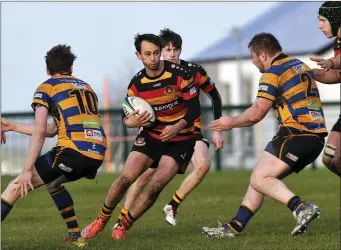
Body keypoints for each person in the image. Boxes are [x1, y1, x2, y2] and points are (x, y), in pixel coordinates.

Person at [202, 33, 327, 238]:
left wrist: (231, 122)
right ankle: (234, 227)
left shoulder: (272, 72)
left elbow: (257, 112)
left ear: (262, 54)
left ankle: (301, 207)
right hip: (314, 137)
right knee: (259, 178)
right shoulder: (299, 65)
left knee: (260, 178)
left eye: (252, 56)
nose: (252, 61)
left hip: (296, 133)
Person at [81, 33, 200, 240]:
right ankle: (100, 220)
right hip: (151, 135)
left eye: (156, 53)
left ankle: (124, 225)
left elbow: (194, 109)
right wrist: (132, 122)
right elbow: (125, 116)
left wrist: (176, 126)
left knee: (155, 185)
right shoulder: (137, 83)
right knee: (126, 177)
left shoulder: (180, 75)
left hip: (181, 139)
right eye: (147, 54)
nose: (153, 58)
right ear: (139, 55)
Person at [115, 28, 224, 227]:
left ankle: (172, 204)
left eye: (176, 50)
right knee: (144, 175)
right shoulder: (147, 77)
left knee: (203, 165)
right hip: (159, 133)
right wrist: (141, 123)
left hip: (189, 133)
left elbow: (215, 96)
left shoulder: (193, 71)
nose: (172, 54)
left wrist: (217, 128)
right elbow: (137, 106)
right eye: (167, 50)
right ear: (160, 52)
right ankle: (122, 218)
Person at [0, 44, 107, 247]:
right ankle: (76, 238)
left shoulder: (46, 87)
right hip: (97, 154)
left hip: (72, 152)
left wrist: (26, 170)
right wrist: (12, 126)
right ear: (72, 67)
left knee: (13, 188)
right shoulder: (87, 87)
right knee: (53, 183)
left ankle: (76, 238)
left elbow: (41, 131)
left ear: (47, 70)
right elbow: (51, 130)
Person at [310, 1, 341, 176]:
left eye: (323, 20)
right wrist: (311, 74)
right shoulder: (338, 42)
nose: (319, 25)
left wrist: (331, 62)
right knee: (329, 159)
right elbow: (337, 75)